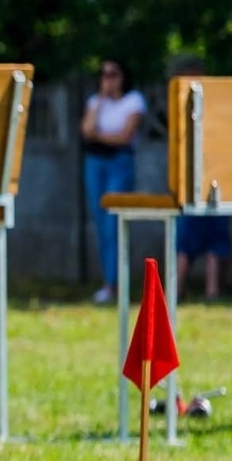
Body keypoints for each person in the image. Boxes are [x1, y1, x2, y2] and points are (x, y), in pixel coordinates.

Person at [80, 59, 145, 304]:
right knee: (100, 224)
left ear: (123, 76)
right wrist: (100, 99)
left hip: (120, 162)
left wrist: (98, 135)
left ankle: (115, 283)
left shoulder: (134, 100)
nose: (108, 79)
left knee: (113, 224)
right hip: (96, 163)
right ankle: (109, 283)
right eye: (104, 75)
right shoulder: (96, 102)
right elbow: (86, 130)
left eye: (113, 74)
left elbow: (124, 137)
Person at [170, 58, 230, 300]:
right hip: (189, 181)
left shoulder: (214, 104)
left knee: (215, 237)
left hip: (213, 177)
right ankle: (176, 290)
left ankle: (211, 290)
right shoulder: (179, 106)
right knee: (186, 241)